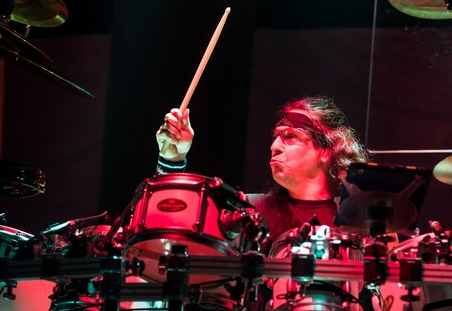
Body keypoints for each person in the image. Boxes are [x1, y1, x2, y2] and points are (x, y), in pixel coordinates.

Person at [155, 96, 370, 245]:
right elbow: (166, 225)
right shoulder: (247, 212)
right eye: (275, 137)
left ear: (326, 150)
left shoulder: (362, 222)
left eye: (290, 136)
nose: (274, 146)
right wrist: (171, 160)